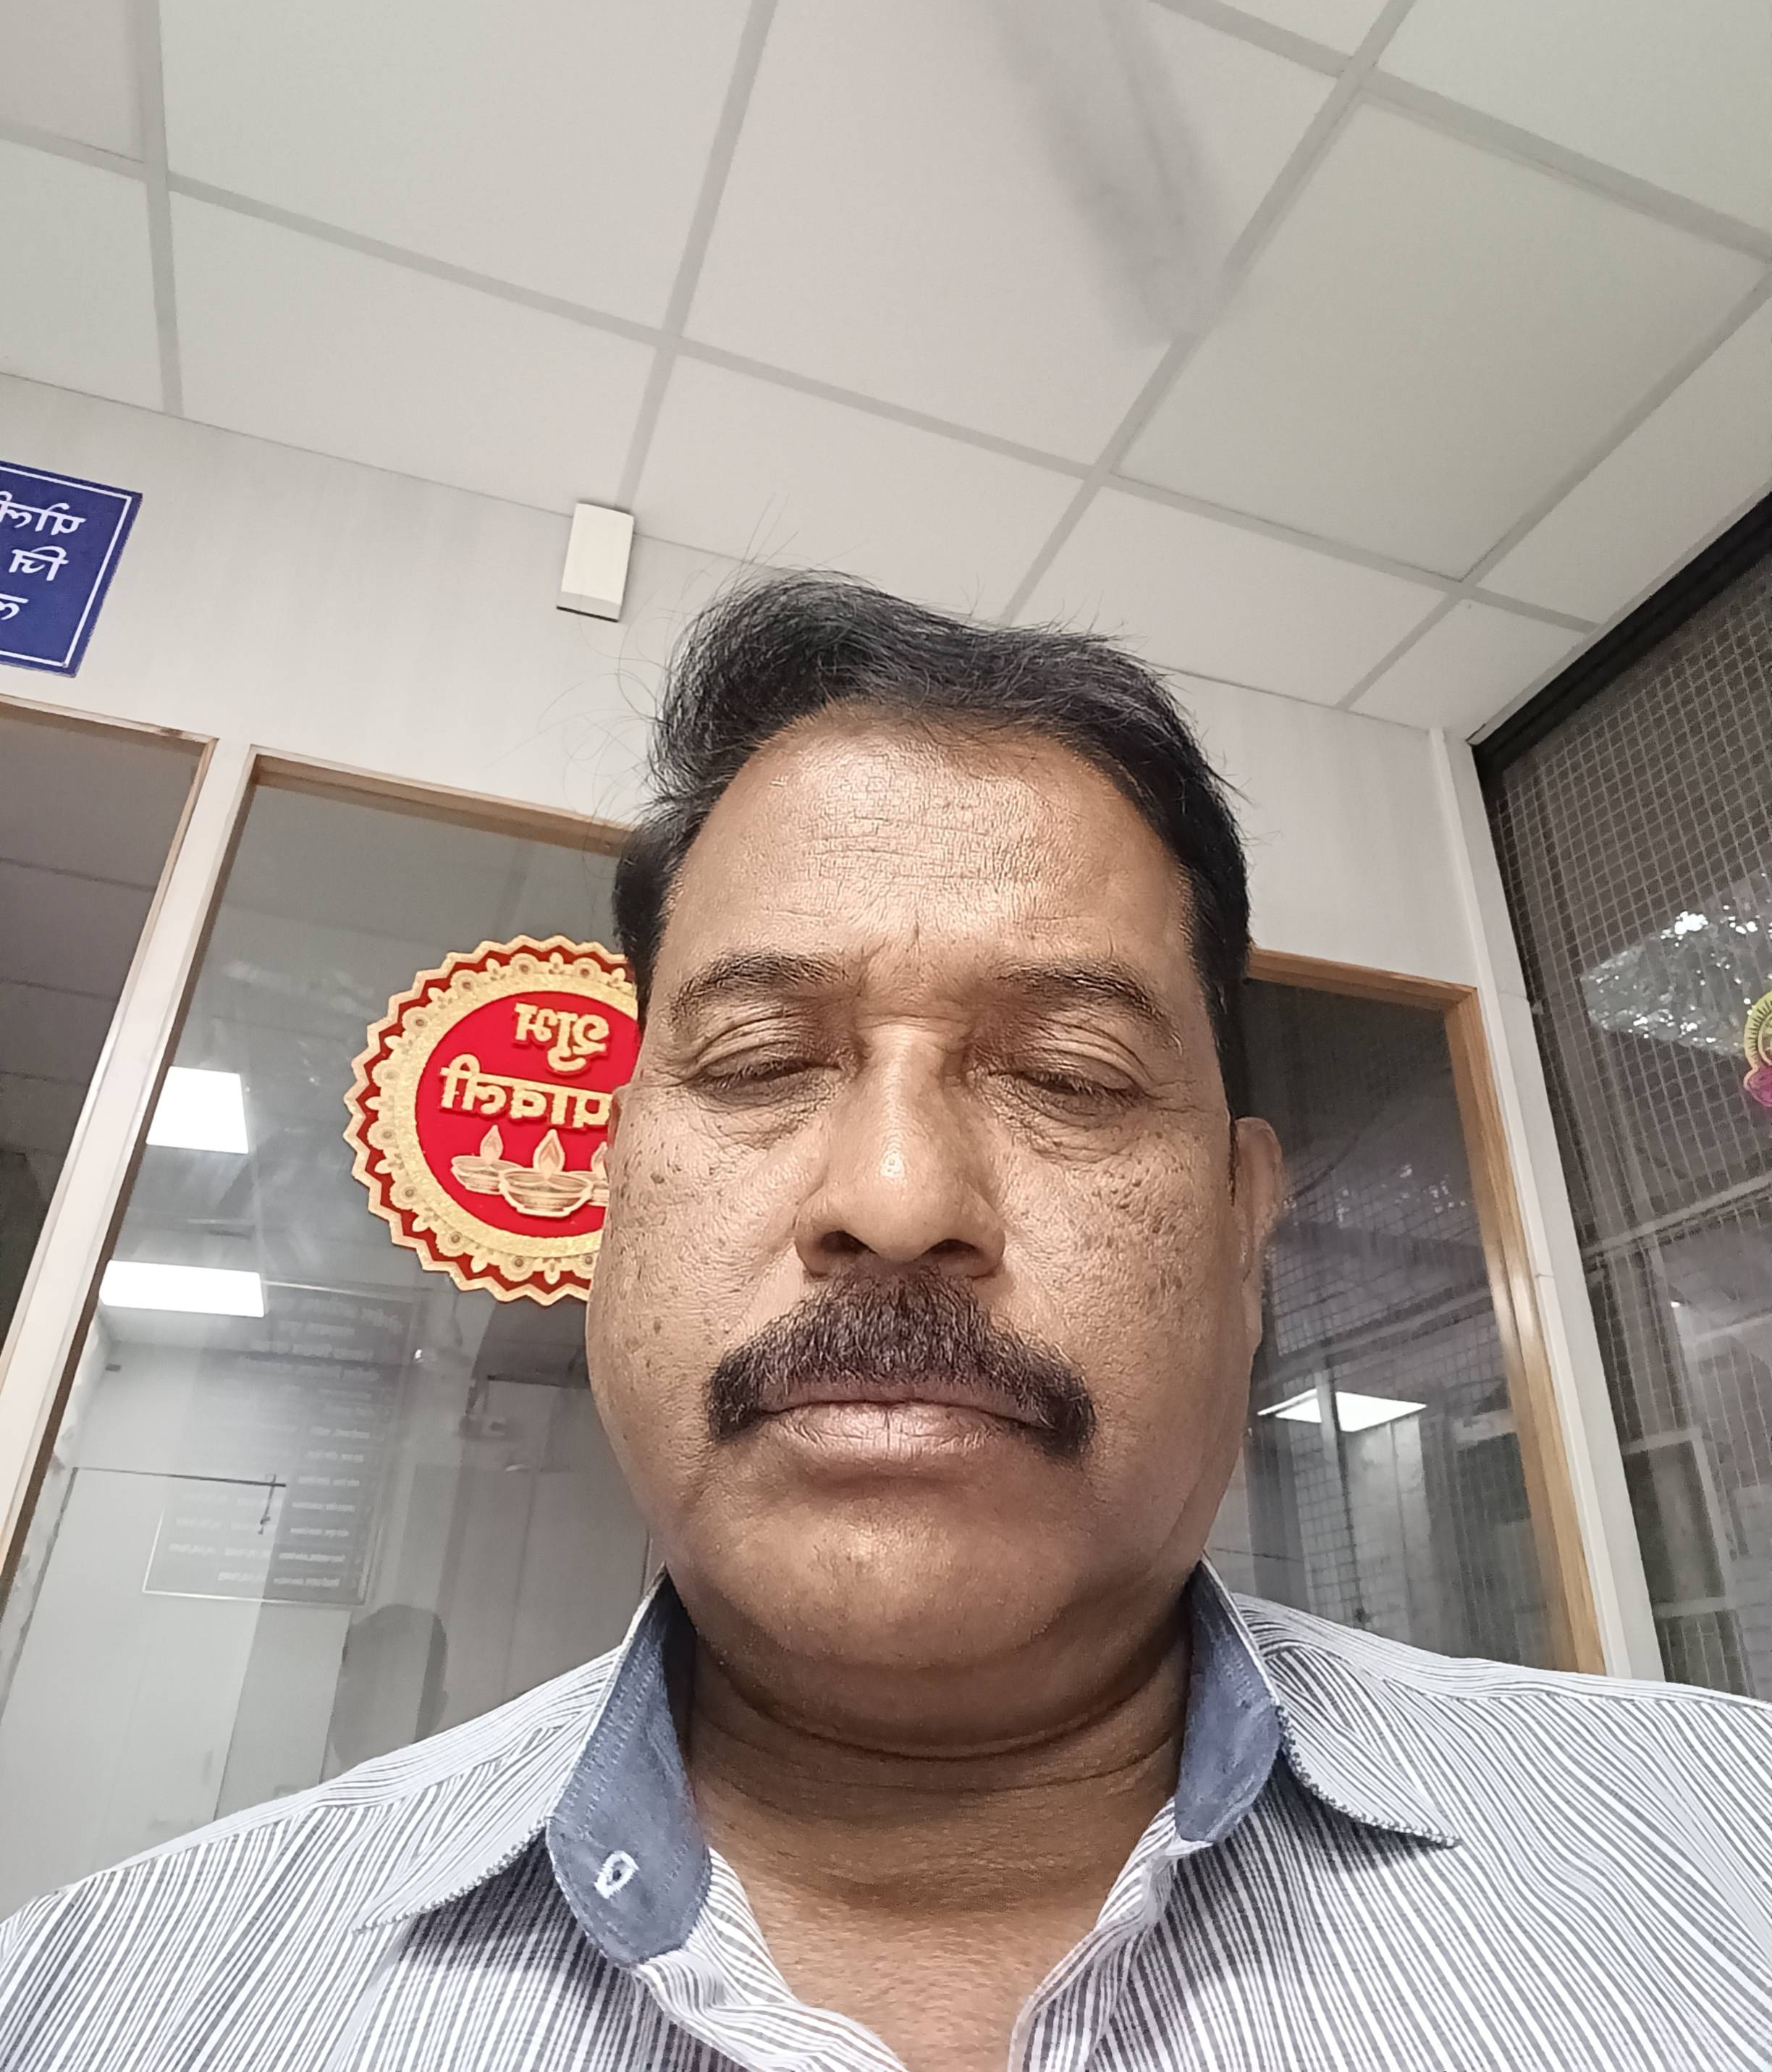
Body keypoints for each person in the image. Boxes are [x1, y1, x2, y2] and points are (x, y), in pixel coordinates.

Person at [2, 575, 1769, 2072]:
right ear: (613, 1192)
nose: (901, 1195)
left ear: (1245, 1227)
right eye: (761, 1061)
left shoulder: (1725, 1862)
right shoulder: (96, 2011)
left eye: (1071, 1073)